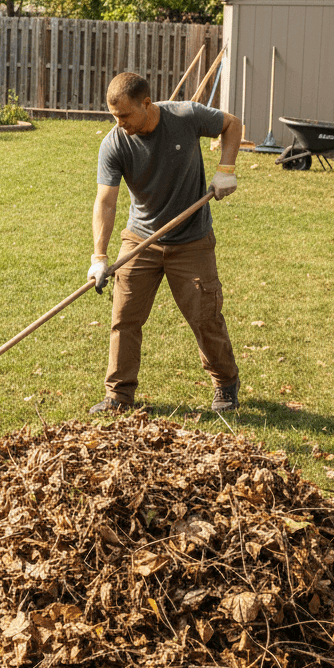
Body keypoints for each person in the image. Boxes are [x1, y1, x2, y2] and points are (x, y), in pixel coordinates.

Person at [87, 71, 241, 414]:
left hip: (192, 238)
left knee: (205, 316)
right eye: (114, 116)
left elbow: (232, 124)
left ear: (147, 104)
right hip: (140, 238)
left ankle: (225, 382)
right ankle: (119, 395)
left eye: (125, 115)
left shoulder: (185, 116)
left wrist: (226, 168)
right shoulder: (115, 142)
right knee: (124, 317)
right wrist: (99, 256)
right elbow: (106, 202)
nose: (120, 123)